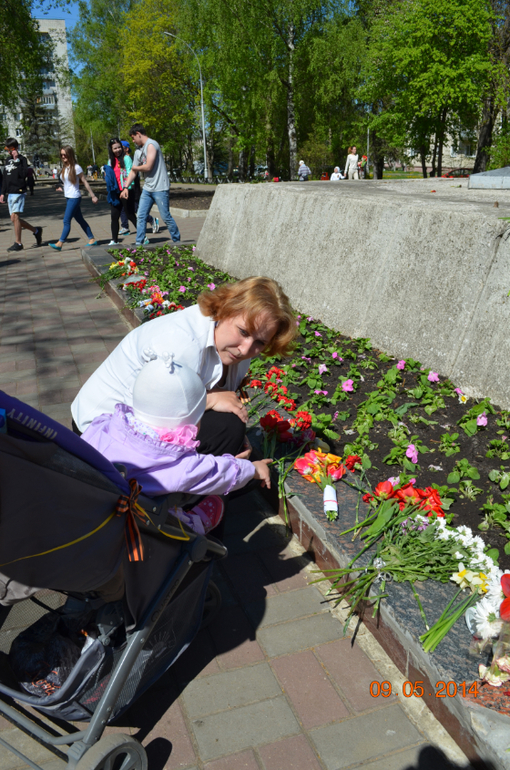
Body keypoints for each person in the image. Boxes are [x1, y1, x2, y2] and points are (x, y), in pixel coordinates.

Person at [71, 276, 296, 461]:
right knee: (227, 428)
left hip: (137, 426)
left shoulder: (236, 348)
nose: (246, 349)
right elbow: (148, 414)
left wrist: (235, 442)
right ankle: (176, 505)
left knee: (230, 430)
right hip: (99, 432)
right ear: (224, 310)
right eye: (243, 332)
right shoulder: (179, 343)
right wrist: (209, 400)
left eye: (260, 343)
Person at [81, 354, 272, 534]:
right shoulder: (175, 462)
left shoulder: (105, 424)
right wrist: (253, 469)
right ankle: (193, 523)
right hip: (138, 517)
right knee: (180, 517)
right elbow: (217, 471)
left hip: (92, 501)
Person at [121, 124, 179, 246]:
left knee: (166, 217)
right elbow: (133, 171)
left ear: (138, 134)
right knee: (141, 216)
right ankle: (139, 242)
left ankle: (177, 241)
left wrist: (135, 167)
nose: (133, 141)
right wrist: (126, 187)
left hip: (160, 188)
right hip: (147, 189)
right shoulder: (137, 151)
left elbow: (148, 166)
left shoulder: (152, 145)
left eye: (133, 138)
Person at [49, 146, 98, 251]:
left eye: (65, 154)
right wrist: (60, 187)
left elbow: (84, 181)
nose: (63, 156)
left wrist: (93, 195)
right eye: (61, 155)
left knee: (66, 220)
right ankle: (92, 239)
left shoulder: (76, 167)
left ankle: (60, 243)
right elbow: (66, 183)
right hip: (68, 197)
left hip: (74, 197)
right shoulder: (65, 168)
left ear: (70, 154)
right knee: (80, 219)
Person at [0, 138, 42, 252]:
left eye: (10, 149)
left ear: (15, 148)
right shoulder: (7, 160)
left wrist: (17, 160)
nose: (9, 152)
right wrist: (2, 192)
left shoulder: (22, 159)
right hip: (10, 192)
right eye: (7, 150)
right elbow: (4, 178)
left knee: (16, 217)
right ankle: (36, 231)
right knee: (14, 218)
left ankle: (18, 243)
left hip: (19, 191)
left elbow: (24, 174)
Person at [119, 140, 157, 237]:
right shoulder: (120, 160)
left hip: (133, 188)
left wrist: (128, 187)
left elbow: (133, 175)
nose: (119, 149)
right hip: (124, 188)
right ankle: (125, 227)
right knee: (123, 208)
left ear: (126, 149)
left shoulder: (129, 159)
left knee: (136, 208)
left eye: (121, 147)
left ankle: (151, 219)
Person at [105, 138, 138, 245]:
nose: (118, 150)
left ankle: (143, 236)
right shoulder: (110, 161)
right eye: (115, 148)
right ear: (111, 149)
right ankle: (114, 240)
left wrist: (126, 188)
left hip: (126, 190)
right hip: (115, 192)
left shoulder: (126, 158)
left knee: (130, 215)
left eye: (119, 147)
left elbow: (130, 172)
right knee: (114, 216)